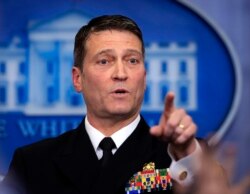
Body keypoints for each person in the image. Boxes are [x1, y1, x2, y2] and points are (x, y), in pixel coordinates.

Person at [2, 15, 204, 194]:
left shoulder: (184, 154)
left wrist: (187, 155)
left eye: (132, 61)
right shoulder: (32, 162)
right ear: (77, 79)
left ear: (144, 77)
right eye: (104, 61)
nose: (121, 73)